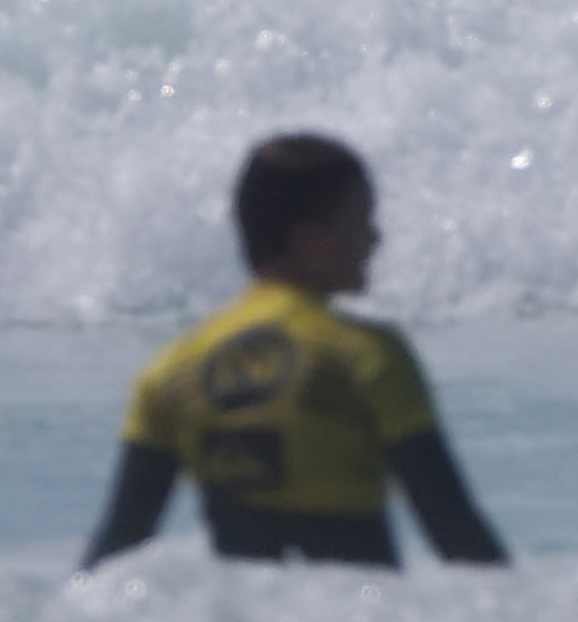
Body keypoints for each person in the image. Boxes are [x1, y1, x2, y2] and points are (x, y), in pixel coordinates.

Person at [82, 133, 508, 570]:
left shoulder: (169, 372)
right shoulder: (367, 357)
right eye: (362, 220)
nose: (375, 239)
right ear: (312, 242)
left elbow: (118, 545)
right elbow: (455, 531)